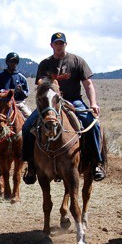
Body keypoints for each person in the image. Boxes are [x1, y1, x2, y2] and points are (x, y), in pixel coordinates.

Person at [22, 32, 106, 183]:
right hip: (51, 103)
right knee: (27, 127)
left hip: (74, 101)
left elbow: (88, 84)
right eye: (56, 43)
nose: (59, 46)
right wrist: (49, 86)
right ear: (51, 45)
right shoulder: (45, 63)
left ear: (66, 44)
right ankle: (31, 165)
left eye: (61, 43)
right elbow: (40, 82)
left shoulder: (77, 61)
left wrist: (93, 103)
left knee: (94, 126)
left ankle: (96, 164)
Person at [0, 52, 32, 161]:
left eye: (14, 61)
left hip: (18, 103)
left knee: (31, 118)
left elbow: (27, 93)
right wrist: (1, 93)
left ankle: (31, 147)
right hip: (2, 103)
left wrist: (20, 91)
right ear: (7, 62)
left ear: (17, 63)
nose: (12, 63)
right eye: (10, 61)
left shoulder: (21, 77)